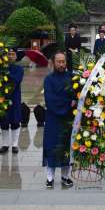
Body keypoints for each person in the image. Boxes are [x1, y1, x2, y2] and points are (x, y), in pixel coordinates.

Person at [42, 51, 74, 188]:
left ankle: (65, 176)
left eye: (63, 61)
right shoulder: (48, 79)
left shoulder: (72, 77)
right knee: (52, 146)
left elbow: (77, 96)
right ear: (53, 63)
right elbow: (50, 100)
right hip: (53, 119)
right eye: (59, 62)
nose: (61, 64)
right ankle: (50, 178)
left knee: (67, 147)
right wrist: (68, 103)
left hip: (68, 120)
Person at [0, 49, 25, 154]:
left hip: (15, 97)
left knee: (15, 121)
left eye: (12, 54)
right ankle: (5, 144)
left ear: (16, 56)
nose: (10, 56)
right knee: (4, 121)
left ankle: (15, 144)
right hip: (3, 98)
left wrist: (7, 72)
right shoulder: (1, 68)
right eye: (8, 54)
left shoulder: (19, 68)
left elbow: (16, 80)